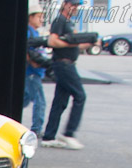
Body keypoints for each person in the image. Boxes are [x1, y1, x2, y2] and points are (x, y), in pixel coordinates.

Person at [40, 0, 92, 150]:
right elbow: (52, 41)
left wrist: (89, 42)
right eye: (73, 5)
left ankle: (49, 136)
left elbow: (74, 45)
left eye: (77, 6)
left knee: (60, 101)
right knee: (80, 95)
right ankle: (69, 133)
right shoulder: (60, 20)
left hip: (66, 63)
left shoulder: (69, 23)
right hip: (63, 64)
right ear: (66, 4)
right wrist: (73, 44)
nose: (75, 8)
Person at [24, 2, 50, 138]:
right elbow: (26, 49)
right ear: (30, 17)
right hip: (32, 72)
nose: (41, 20)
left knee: (26, 99)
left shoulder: (35, 32)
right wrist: (33, 62)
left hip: (35, 73)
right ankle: (36, 129)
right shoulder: (28, 32)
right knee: (40, 101)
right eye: (39, 17)